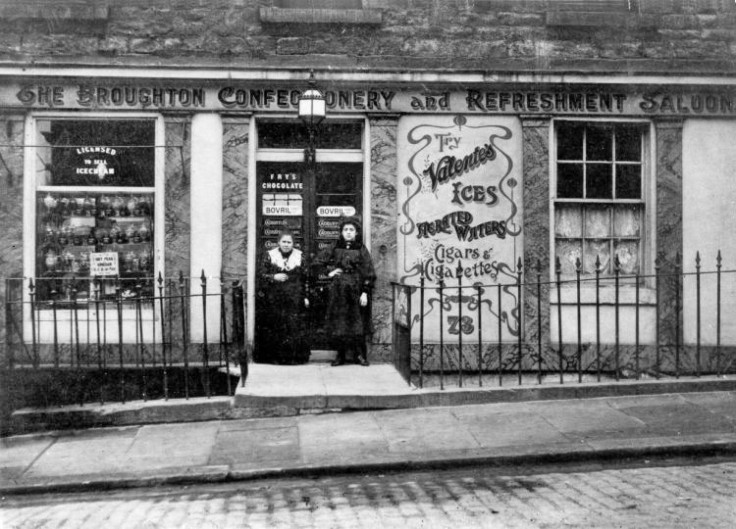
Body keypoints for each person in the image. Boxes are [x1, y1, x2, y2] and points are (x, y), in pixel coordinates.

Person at [318, 217, 376, 367]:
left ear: (356, 233)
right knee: (340, 323)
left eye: (351, 230)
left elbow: (369, 271)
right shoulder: (335, 246)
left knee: (358, 322)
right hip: (339, 290)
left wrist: (365, 292)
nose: (348, 233)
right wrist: (331, 272)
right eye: (346, 230)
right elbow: (317, 262)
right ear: (341, 232)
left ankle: (360, 355)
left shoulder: (361, 248)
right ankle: (340, 355)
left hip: (357, 289)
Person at [256, 231, 310, 365]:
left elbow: (306, 278)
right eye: (284, 242)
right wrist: (274, 277)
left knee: (293, 325)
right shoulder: (269, 255)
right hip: (275, 297)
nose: (286, 245)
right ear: (279, 242)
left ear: (293, 243)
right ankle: (275, 358)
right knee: (276, 325)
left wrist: (306, 296)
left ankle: (294, 358)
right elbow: (260, 275)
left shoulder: (300, 256)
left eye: (289, 242)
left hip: (294, 296)